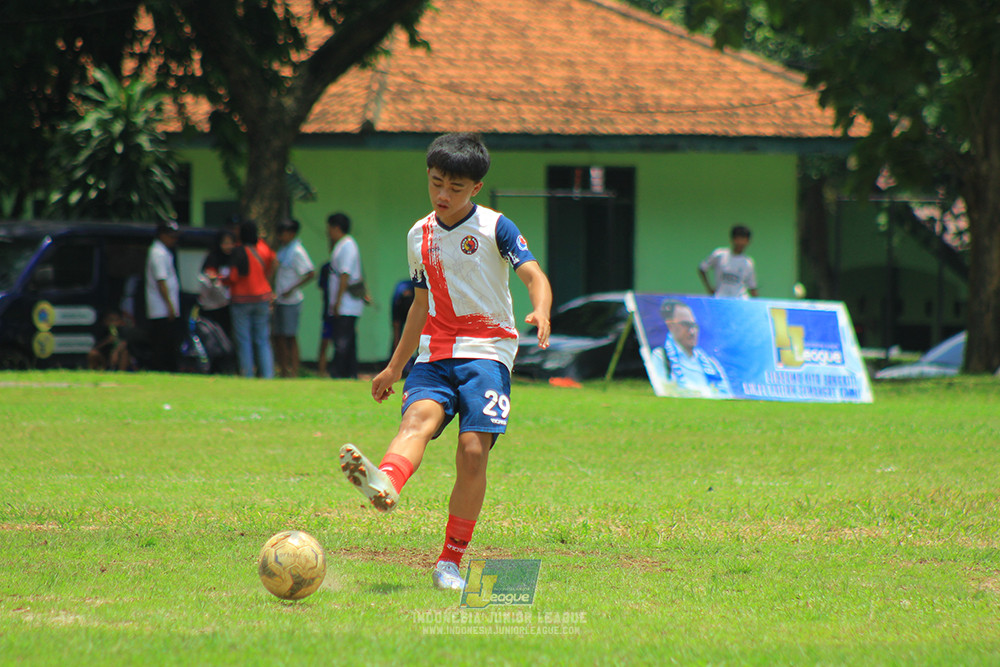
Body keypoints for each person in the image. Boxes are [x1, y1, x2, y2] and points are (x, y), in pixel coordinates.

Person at [337, 133, 552, 591]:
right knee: (418, 418)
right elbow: (420, 305)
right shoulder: (419, 235)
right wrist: (395, 367)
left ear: (475, 188)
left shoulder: (497, 228)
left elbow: (535, 276)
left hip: (489, 351)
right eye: (436, 183)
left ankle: (449, 562)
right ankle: (386, 483)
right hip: (436, 351)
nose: (442, 196)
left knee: (473, 452)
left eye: (455, 188)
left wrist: (542, 311)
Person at [225, 220, 276, 379]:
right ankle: (268, 374)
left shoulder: (238, 251)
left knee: (244, 340)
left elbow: (233, 277)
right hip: (262, 298)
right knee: (262, 339)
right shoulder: (263, 249)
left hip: (241, 300)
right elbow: (274, 261)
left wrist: (221, 279)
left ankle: (247, 374)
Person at [649, 299, 731, 398]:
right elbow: (663, 389)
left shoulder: (711, 364)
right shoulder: (661, 357)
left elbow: (726, 394)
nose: (692, 332)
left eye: (694, 326)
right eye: (686, 325)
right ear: (670, 326)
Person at [325, 212, 367, 379]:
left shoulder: (347, 245)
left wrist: (337, 301)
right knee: (347, 340)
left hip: (347, 304)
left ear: (336, 228)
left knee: (342, 341)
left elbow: (345, 275)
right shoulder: (341, 245)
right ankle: (350, 372)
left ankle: (340, 372)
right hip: (345, 303)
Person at [272, 219, 315, 378]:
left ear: (291, 233)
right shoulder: (284, 250)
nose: (280, 237)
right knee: (280, 337)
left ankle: (294, 371)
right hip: (280, 299)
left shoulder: (297, 251)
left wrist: (292, 288)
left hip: (292, 301)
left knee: (290, 336)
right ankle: (284, 370)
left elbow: (310, 273)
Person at [144, 220, 184, 372]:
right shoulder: (158, 253)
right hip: (161, 309)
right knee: (163, 345)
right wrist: (170, 305)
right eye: (170, 236)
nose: (173, 240)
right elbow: (161, 281)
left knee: (169, 343)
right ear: (161, 235)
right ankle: (162, 370)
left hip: (165, 308)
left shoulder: (164, 252)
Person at [698, 224, 759, 298]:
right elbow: (702, 268)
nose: (741, 243)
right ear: (732, 240)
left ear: (748, 242)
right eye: (738, 239)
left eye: (744, 240)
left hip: (740, 300)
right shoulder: (719, 255)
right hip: (721, 298)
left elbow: (752, 286)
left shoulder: (748, 262)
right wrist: (709, 289)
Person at [199, 228, 236, 336]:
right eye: (225, 243)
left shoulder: (234, 258)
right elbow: (208, 277)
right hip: (213, 305)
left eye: (231, 243)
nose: (228, 247)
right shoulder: (212, 257)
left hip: (229, 303)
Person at [316, 259, 334, 377]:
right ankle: (321, 373)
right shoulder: (327, 267)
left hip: (342, 312)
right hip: (329, 311)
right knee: (324, 344)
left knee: (341, 345)